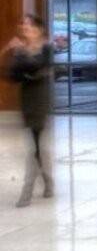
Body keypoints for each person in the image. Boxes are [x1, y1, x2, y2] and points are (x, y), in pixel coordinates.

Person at [4, 14, 54, 207]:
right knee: (36, 146)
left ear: (39, 30)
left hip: (41, 99)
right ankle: (48, 181)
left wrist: (24, 59)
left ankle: (27, 190)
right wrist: (20, 58)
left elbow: (39, 67)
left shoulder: (46, 48)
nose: (26, 30)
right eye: (24, 28)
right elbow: (12, 75)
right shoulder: (21, 50)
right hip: (26, 99)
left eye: (30, 27)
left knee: (34, 146)